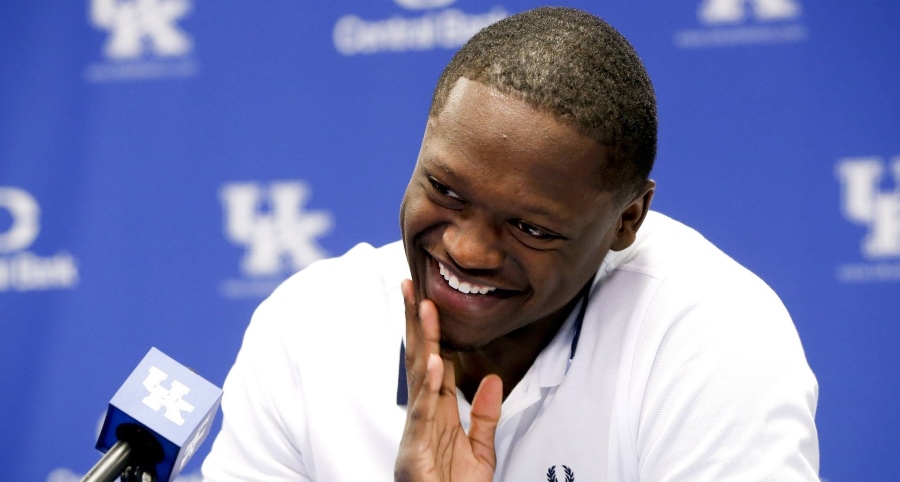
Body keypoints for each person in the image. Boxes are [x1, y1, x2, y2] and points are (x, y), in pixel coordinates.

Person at [201, 6, 819, 481]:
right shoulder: (308, 328)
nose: (467, 250)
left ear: (627, 221)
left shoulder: (712, 340)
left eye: (531, 228)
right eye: (446, 191)